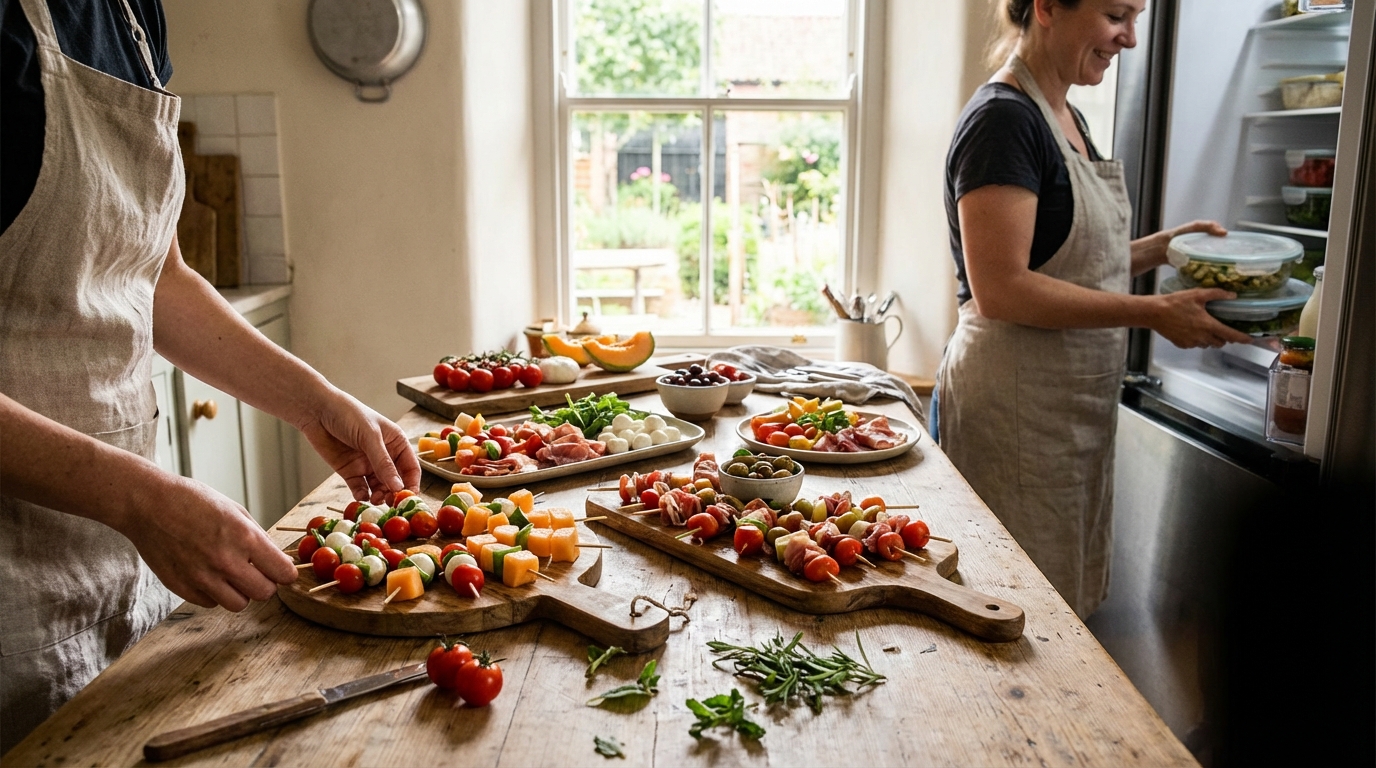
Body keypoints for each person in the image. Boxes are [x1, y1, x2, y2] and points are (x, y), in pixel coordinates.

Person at [0, 0, 420, 750]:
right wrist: (139, 497)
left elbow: (154, 275)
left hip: (119, 562)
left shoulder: (131, 14)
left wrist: (314, 401)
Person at [932, 0, 1252, 617]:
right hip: (1016, 408)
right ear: (1048, 7)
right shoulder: (1003, 120)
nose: (1130, 39)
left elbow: (1063, 258)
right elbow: (1002, 287)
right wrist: (1154, 312)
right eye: (1115, 15)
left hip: (1063, 412)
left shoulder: (1064, 113)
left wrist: (1161, 251)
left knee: (1058, 607)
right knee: (1015, 609)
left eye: (1136, 17)